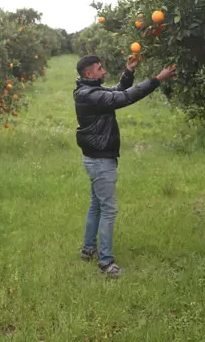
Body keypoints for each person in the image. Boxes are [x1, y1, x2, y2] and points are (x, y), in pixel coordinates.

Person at [73, 54, 176, 278]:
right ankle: (106, 263)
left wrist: (129, 71)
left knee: (96, 205)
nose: (103, 71)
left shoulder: (89, 91)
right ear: (89, 74)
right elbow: (125, 97)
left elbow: (118, 91)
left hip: (95, 158)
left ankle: (88, 250)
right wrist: (157, 79)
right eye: (100, 69)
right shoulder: (90, 95)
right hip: (100, 160)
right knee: (108, 209)